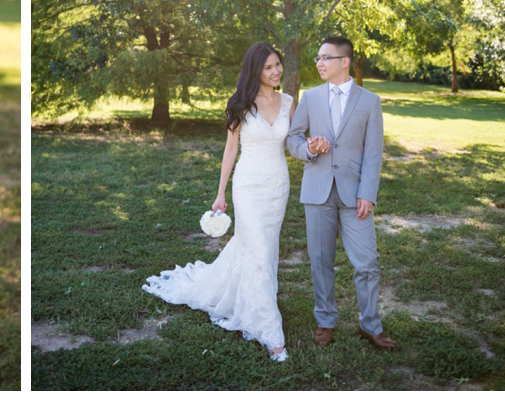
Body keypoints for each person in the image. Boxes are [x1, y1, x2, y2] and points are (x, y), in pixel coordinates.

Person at [143, 42, 293, 362]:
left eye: (277, 64)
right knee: (258, 250)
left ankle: (245, 296)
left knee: (264, 248)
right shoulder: (240, 104)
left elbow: (295, 142)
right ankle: (270, 332)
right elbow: (230, 150)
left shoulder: (290, 102)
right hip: (248, 186)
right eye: (268, 67)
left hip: (278, 186)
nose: (276, 71)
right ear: (256, 70)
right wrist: (221, 193)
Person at [285, 36, 397, 351]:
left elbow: (374, 152)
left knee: (367, 262)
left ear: (344, 61)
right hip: (317, 191)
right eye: (318, 58)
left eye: (325, 58)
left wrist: (368, 193)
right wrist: (307, 148)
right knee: (320, 260)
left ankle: (370, 326)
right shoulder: (311, 97)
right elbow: (293, 137)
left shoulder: (369, 101)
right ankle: (325, 322)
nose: (319, 63)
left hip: (355, 195)